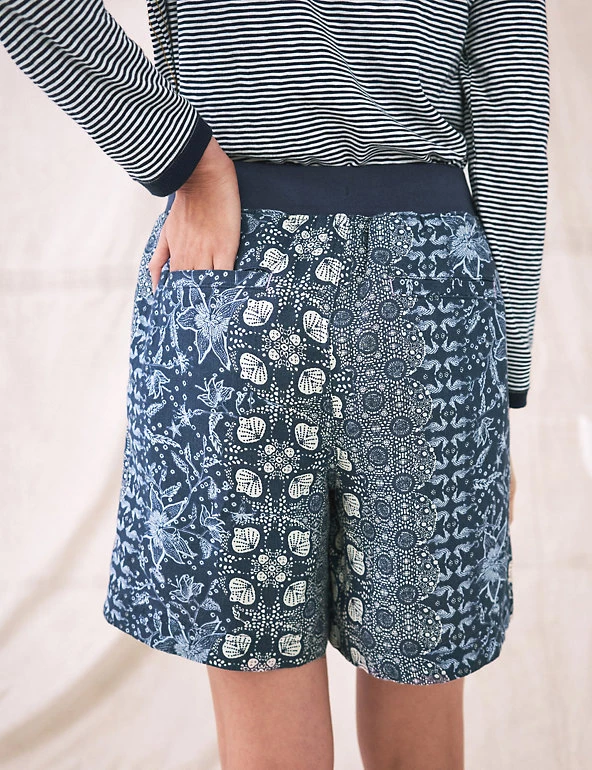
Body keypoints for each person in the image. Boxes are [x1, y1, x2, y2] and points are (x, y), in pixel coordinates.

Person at [1, 1, 549, 768]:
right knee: (420, 708)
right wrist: (499, 385)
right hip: (424, 294)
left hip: (233, 281)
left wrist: (183, 157)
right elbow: (512, 114)